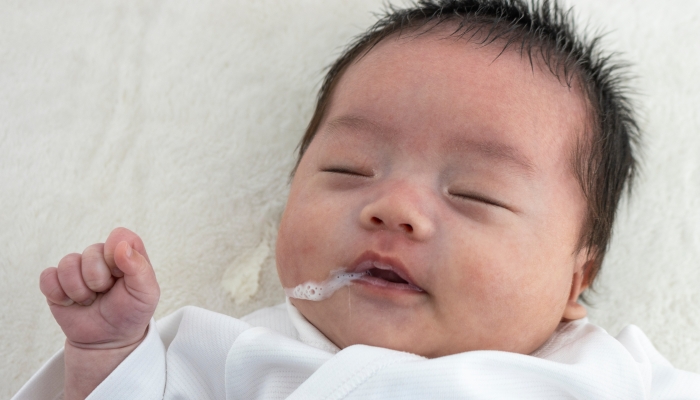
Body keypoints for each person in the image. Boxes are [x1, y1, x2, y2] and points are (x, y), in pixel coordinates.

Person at [14, 0, 700, 398]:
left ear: (575, 278)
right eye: (348, 169)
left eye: (475, 194)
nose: (394, 207)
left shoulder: (614, 375)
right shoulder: (225, 352)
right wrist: (109, 354)